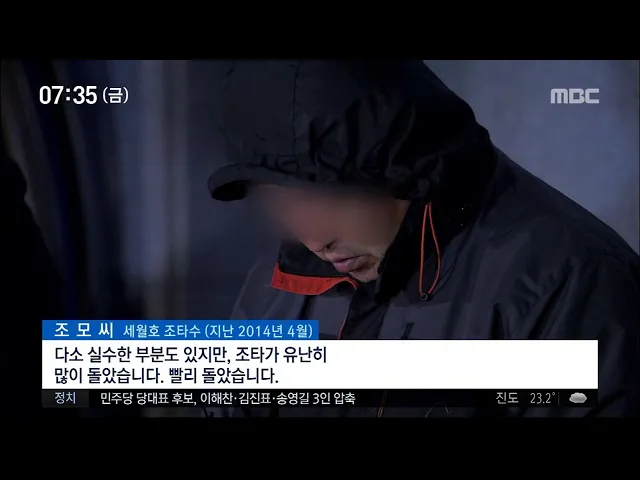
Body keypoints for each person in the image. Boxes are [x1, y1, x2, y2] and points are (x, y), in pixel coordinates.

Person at [207, 60, 640, 417]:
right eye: (281, 200)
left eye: (331, 195)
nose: (314, 238)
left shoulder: (573, 282)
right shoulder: (277, 286)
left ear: (404, 163)